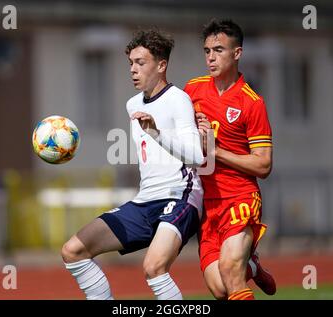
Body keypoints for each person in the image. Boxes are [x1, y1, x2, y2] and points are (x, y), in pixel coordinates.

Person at [61, 29, 204, 300]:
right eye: (131, 63)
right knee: (73, 250)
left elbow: (197, 156)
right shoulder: (133, 104)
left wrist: (157, 134)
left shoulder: (178, 99)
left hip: (180, 197)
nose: (133, 69)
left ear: (161, 65)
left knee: (153, 267)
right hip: (145, 202)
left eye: (141, 62)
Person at [184, 19, 276, 300]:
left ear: (237, 54)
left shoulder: (251, 102)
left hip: (240, 197)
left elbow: (263, 165)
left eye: (219, 50)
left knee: (230, 270)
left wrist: (216, 152)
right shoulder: (192, 91)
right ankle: (252, 265)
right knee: (220, 288)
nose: (211, 57)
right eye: (207, 50)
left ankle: (242, 264)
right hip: (205, 203)